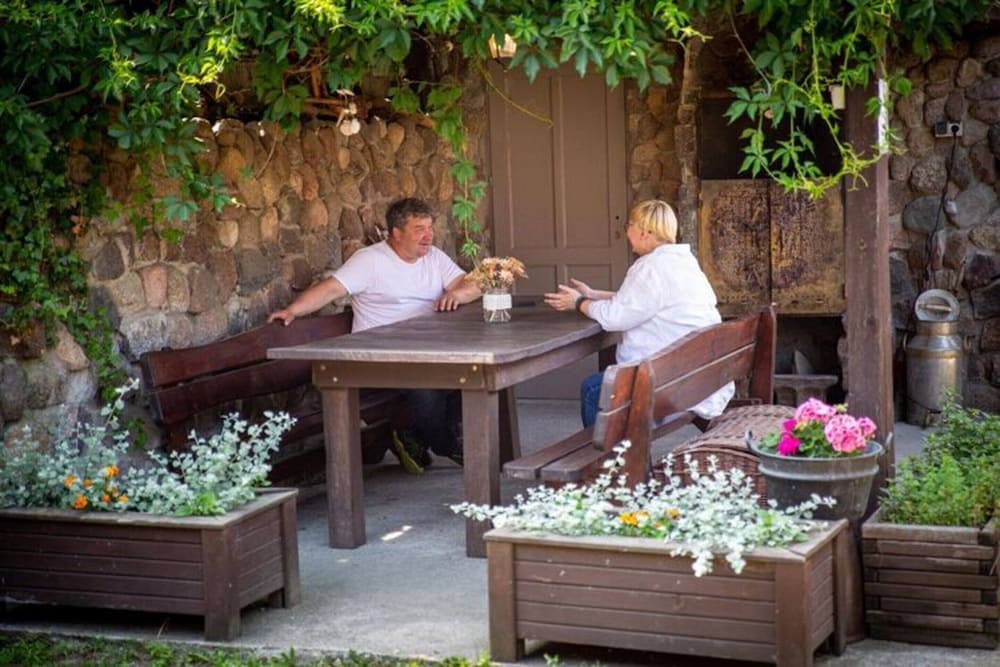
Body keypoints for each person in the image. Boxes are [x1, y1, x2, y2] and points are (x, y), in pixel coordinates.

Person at [268, 197, 480, 473]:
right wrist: (292, 310)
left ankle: (414, 434)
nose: (428, 236)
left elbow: (474, 284)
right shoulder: (371, 261)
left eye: (429, 227)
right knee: (428, 388)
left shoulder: (434, 258)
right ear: (396, 233)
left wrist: (457, 294)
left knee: (473, 374)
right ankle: (446, 445)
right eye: (419, 229)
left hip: (423, 352)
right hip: (377, 358)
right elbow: (332, 289)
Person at [544, 199, 734, 427]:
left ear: (644, 232)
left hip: (672, 381)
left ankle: (614, 460)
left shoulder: (650, 267)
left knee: (594, 389)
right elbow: (642, 302)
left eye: (629, 226)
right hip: (699, 375)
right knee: (602, 384)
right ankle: (628, 456)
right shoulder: (683, 262)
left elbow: (615, 318)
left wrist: (578, 303)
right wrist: (593, 295)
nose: (626, 233)